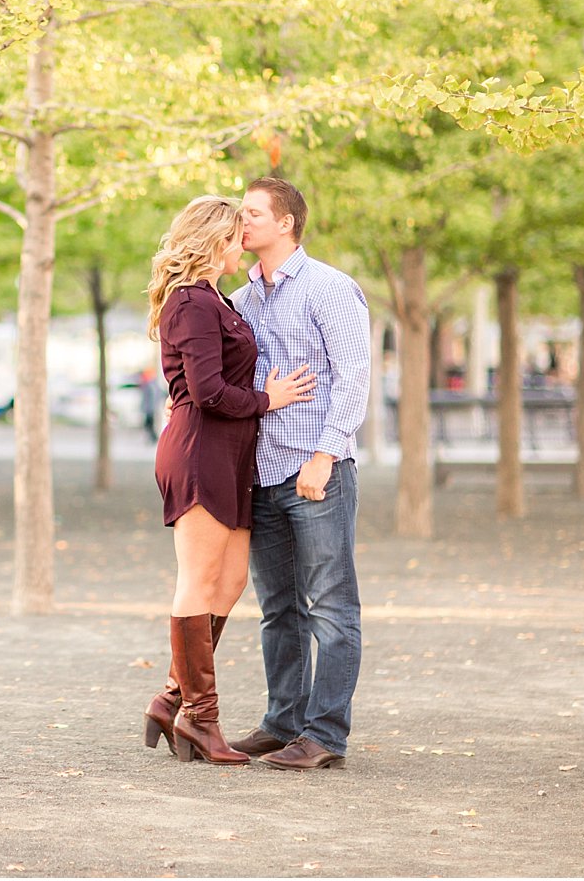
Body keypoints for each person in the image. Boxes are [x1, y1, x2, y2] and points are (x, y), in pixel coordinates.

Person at [142, 194, 315, 765]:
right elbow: (209, 391)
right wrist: (271, 398)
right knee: (197, 580)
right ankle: (202, 718)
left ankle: (172, 698)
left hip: (230, 454)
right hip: (200, 450)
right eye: (236, 229)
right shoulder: (190, 301)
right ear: (215, 239)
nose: (245, 237)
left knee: (232, 579)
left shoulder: (215, 297)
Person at [228, 176, 371, 771]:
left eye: (254, 211)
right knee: (278, 609)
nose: (243, 219)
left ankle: (325, 735)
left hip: (316, 473)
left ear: (286, 223)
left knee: (331, 607)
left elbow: (353, 376)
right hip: (261, 471)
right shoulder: (241, 299)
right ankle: (282, 722)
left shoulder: (330, 288)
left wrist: (325, 455)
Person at [138, 368, 161, 443]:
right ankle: (152, 438)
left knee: (149, 425)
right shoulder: (151, 385)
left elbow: (150, 398)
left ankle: (153, 438)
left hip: (149, 409)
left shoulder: (149, 385)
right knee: (149, 425)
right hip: (150, 409)